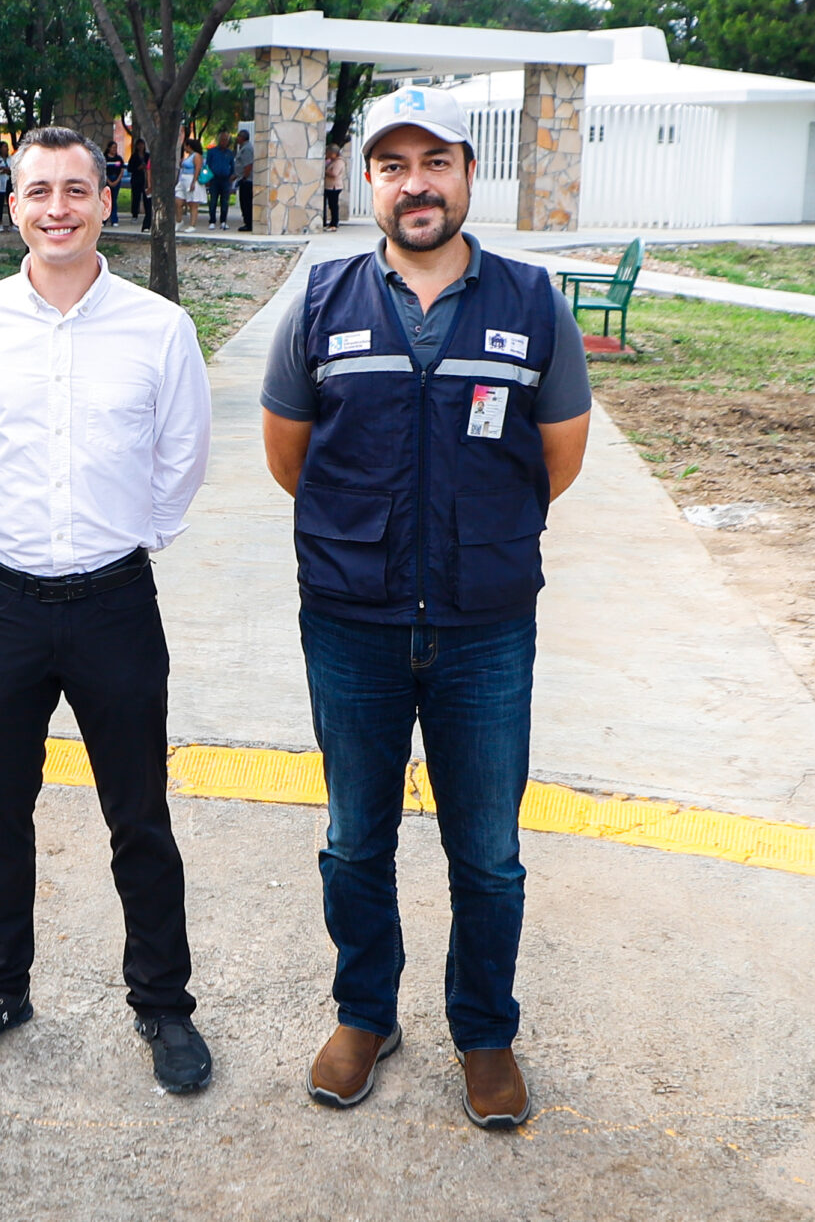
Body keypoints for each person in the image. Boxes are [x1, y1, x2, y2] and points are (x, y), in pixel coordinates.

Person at [257, 84, 593, 1131]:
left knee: (485, 849)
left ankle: (484, 1031)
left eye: (434, 161)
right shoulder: (320, 301)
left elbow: (559, 456)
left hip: (484, 623)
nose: (415, 183)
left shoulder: (532, 301)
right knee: (356, 835)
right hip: (350, 619)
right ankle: (365, 1012)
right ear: (369, 181)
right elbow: (288, 455)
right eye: (393, 164)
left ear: (466, 174)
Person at [0, 127, 216, 1095]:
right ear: (12, 205)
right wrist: (9, 530)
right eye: (38, 190)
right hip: (0, 600)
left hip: (113, 601)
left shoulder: (157, 327)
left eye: (76, 189)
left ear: (106, 199)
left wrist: (129, 536)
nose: (57, 207)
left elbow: (182, 457)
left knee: (138, 814)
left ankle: (163, 1006)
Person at [204, 135, 235, 227]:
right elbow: (207, 166)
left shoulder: (229, 153)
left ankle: (223, 221)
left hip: (226, 180)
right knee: (213, 200)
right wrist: (207, 179)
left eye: (225, 141)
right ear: (219, 140)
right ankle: (212, 221)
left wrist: (232, 176)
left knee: (225, 201)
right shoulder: (212, 152)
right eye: (222, 140)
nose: (224, 142)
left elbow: (232, 165)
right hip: (214, 179)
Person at [322, 140, 346, 230]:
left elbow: (334, 173)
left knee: (333, 205)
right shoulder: (332, 161)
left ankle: (334, 223)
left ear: (334, 153)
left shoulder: (339, 162)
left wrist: (325, 171)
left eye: (328, 153)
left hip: (334, 187)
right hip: (329, 186)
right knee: (330, 205)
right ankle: (328, 222)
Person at [174, 142, 199, 227]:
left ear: (189, 146)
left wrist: (193, 182)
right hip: (183, 180)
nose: (184, 148)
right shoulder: (188, 156)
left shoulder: (196, 156)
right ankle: (179, 220)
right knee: (178, 201)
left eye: (185, 146)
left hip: (190, 179)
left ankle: (192, 225)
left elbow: (197, 169)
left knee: (192, 204)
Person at [235, 129, 256, 231]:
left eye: (238, 136)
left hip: (247, 181)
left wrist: (244, 177)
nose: (237, 138)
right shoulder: (243, 148)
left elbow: (248, 165)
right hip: (244, 179)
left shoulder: (246, 149)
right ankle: (247, 222)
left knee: (246, 203)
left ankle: (248, 223)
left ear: (242, 137)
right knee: (244, 202)